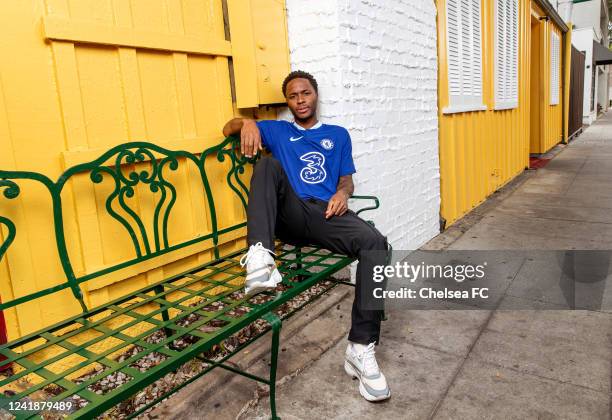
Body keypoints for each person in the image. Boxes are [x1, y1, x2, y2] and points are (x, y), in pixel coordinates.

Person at [222, 70, 390, 402]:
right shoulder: (278, 130)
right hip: (291, 214)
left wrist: (343, 194)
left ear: (315, 95)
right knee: (267, 166)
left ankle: (359, 347)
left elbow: (347, 181)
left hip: (327, 213)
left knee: (376, 244)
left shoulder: (338, 135)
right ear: (288, 102)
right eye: (293, 96)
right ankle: (260, 258)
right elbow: (228, 127)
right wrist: (248, 123)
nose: (300, 100)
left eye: (305, 93)